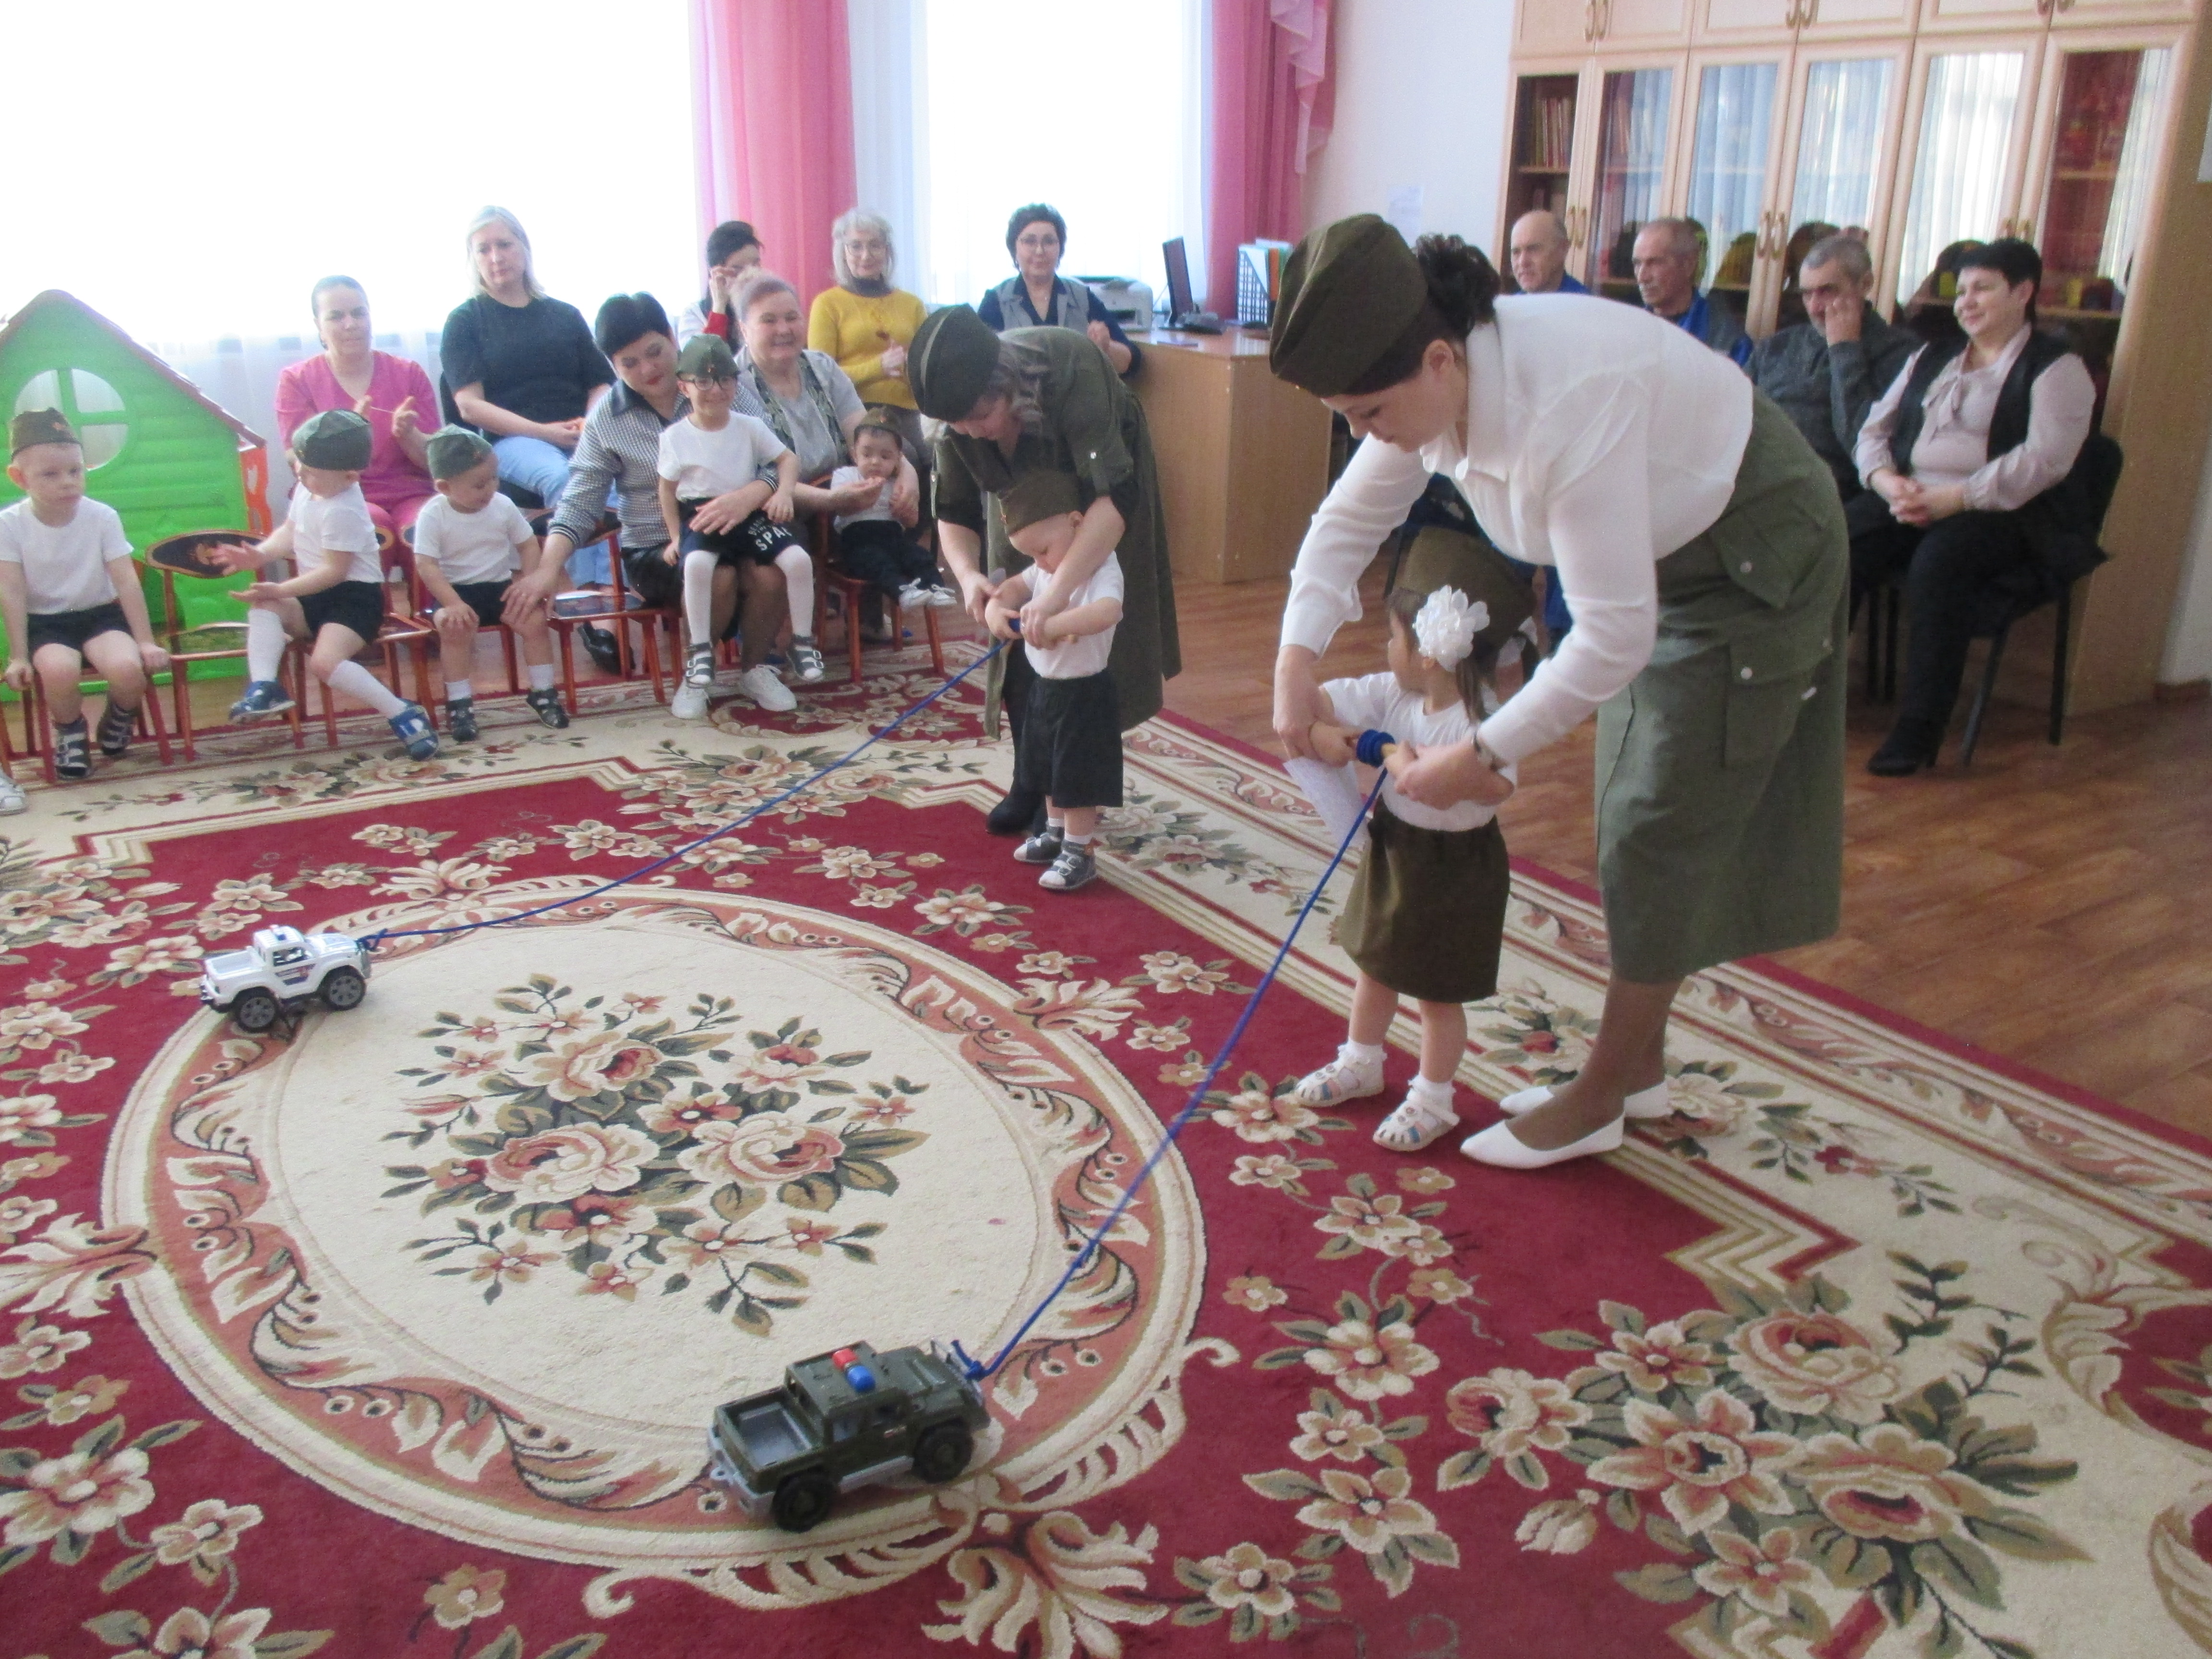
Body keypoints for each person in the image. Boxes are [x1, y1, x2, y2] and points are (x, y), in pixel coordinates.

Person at [1268, 216, 1847, 1170]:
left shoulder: (1568, 404)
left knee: (1661, 825)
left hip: (1752, 554)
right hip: (1661, 549)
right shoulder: (1428, 378)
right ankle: (1639, 1074)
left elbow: (1613, 635)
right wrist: (1295, 660)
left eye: (1367, 414)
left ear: (1440, 362)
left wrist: (1483, 751)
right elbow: (1345, 522)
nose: (1363, 435)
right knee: (1631, 806)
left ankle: (1601, 1096)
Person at [908, 306, 1180, 837]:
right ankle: (1029, 780)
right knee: (1017, 644)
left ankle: (1076, 789)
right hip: (1022, 502)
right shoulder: (958, 422)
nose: (972, 432)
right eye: (959, 425)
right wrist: (970, 578)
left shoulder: (1071, 368)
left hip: (1103, 498)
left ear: (1007, 387)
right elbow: (954, 509)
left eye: (982, 417)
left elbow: (1113, 498)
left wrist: (1056, 596)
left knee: (1090, 648)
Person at [1288, 553, 1528, 1153]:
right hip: (1396, 848)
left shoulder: (1486, 720)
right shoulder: (1396, 694)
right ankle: (1362, 1061)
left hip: (1455, 868)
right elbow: (1321, 702)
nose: (1385, 649)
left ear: (1428, 653)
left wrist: (1413, 761)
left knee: (1436, 991)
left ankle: (1434, 1098)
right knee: (1376, 963)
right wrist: (1323, 732)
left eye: (1392, 637)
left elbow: (1498, 785)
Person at [1851, 238, 2096, 777]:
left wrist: (1956, 498)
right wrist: (1888, 483)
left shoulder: (2057, 369)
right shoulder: (1930, 357)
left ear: (2023, 293)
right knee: (1839, 540)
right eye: (1961, 291)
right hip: (1912, 496)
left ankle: (1919, 729)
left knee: (1940, 563)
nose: (1966, 302)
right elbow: (1874, 429)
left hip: (2004, 514)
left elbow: (2044, 461)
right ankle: (1804, 690)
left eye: (1982, 289)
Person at [524, 293, 793, 718]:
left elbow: (778, 458)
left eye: (655, 352)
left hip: (740, 528)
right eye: (629, 363)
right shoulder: (608, 419)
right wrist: (546, 571)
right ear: (612, 366)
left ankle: (755, 669)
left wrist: (749, 495)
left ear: (672, 337)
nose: (648, 369)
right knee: (714, 574)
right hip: (658, 547)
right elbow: (579, 502)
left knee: (771, 569)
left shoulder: (720, 382)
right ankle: (696, 675)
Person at [210, 410, 437, 760]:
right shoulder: (309, 488)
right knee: (264, 606)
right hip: (313, 595)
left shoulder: (344, 508)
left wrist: (282, 589)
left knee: (325, 663)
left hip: (354, 600)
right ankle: (265, 686)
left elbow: (334, 572)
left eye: (311, 472)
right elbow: (290, 530)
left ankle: (402, 712)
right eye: (300, 465)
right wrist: (260, 555)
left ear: (350, 477)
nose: (301, 474)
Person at [731, 272, 920, 651]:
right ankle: (777, 640)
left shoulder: (822, 367)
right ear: (743, 329)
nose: (784, 329)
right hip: (773, 500)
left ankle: (870, 617)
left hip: (838, 486)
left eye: (792, 317)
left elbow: (865, 434)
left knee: (896, 498)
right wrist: (832, 500)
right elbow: (756, 479)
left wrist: (908, 475)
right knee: (790, 535)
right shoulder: (735, 385)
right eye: (769, 320)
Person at [441, 207, 615, 583]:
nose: (496, 257)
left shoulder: (565, 315)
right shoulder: (466, 321)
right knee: (565, 478)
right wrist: (545, 432)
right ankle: (589, 594)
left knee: (615, 476)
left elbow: (602, 383)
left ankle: (616, 590)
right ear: (473, 260)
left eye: (504, 245)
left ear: (524, 247)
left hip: (579, 433)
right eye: (484, 249)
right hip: (512, 442)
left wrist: (590, 423)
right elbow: (469, 406)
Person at [0, 409, 168, 782]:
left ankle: (120, 715)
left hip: (100, 616)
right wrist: (19, 656)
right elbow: (10, 591)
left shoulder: (102, 517)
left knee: (127, 669)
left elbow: (126, 581)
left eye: (75, 471)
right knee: (59, 671)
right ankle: (71, 731)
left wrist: (145, 641)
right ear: (19, 477)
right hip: (46, 623)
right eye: (50, 474)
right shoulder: (9, 525)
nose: (68, 483)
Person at [984, 472, 1125, 893]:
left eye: (1043, 550)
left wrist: (1053, 624)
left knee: (1077, 778)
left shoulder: (1101, 566)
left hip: (1084, 693)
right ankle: (1055, 833)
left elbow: (1108, 611)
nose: (1041, 562)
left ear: (1077, 524)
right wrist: (996, 610)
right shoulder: (1045, 568)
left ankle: (1080, 851)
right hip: (1046, 687)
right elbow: (1015, 585)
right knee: (1047, 766)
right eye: (1031, 554)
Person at [659, 333, 815, 707]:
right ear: (684, 386)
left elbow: (788, 459)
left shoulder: (750, 425)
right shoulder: (676, 437)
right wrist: (676, 537)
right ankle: (700, 654)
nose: (716, 390)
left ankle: (802, 644)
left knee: (798, 561)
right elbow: (666, 489)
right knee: (697, 565)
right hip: (703, 513)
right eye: (704, 381)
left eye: (726, 380)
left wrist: (783, 493)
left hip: (749, 511)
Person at [1748, 233, 1918, 536]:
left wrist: (1844, 350)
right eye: (1806, 294)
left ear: (1865, 284)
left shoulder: (1900, 353)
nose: (1815, 307)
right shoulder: (1777, 347)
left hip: (1832, 496)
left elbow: (1861, 441)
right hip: (1758, 484)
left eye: (1828, 291)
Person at [410, 426, 570, 740]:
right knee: (454, 629)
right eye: (479, 484)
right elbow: (426, 565)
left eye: (495, 478)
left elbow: (528, 545)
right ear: (444, 487)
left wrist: (528, 582)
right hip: (455, 592)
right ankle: (459, 704)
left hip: (499, 587)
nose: (491, 489)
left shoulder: (503, 505)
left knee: (535, 621)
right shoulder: (433, 515)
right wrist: (453, 603)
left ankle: (543, 692)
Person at [274, 277, 438, 538]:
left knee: (421, 530)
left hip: (411, 494)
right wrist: (347, 442)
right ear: (319, 326)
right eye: (336, 316)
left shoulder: (410, 373)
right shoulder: (296, 380)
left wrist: (409, 435)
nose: (350, 324)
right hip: (338, 495)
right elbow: (297, 459)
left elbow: (437, 461)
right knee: (369, 528)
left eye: (359, 313)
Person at [809, 209, 929, 462]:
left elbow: (929, 368)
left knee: (941, 453)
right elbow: (819, 376)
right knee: (905, 456)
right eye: (856, 246)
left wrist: (910, 367)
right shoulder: (828, 304)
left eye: (875, 245)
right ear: (843, 252)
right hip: (857, 410)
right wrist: (878, 367)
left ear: (887, 251)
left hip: (911, 410)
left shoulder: (912, 304)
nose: (866, 255)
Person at [977, 204, 1141, 376]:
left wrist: (1106, 347)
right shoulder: (996, 301)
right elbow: (978, 365)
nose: (1040, 251)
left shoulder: (1081, 297)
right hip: (1018, 393)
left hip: (1078, 392)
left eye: (1049, 241)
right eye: (1030, 241)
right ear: (1014, 249)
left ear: (1060, 249)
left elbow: (1132, 362)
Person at [832, 412, 955, 612]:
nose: (875, 462)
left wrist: (904, 511)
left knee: (919, 556)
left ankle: (935, 588)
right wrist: (860, 494)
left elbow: (912, 522)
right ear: (855, 455)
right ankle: (902, 593)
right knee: (877, 562)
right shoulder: (846, 476)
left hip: (893, 538)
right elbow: (838, 506)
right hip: (859, 541)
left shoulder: (897, 483)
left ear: (898, 459)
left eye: (885, 457)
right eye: (867, 455)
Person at [1632, 217, 1750, 366]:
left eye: (1655, 263)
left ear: (1688, 265)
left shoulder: (1728, 341)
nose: (1642, 277)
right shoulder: (1628, 330)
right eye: (1637, 264)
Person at [677, 220, 764, 347]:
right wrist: (719, 307)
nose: (750, 275)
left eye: (756, 265)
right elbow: (704, 358)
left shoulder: (770, 305)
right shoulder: (695, 314)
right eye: (738, 269)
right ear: (715, 273)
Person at [1507, 211, 1586, 296]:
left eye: (1533, 250)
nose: (1522, 262)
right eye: (1516, 252)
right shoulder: (1511, 303)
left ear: (1562, 249)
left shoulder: (1583, 302)